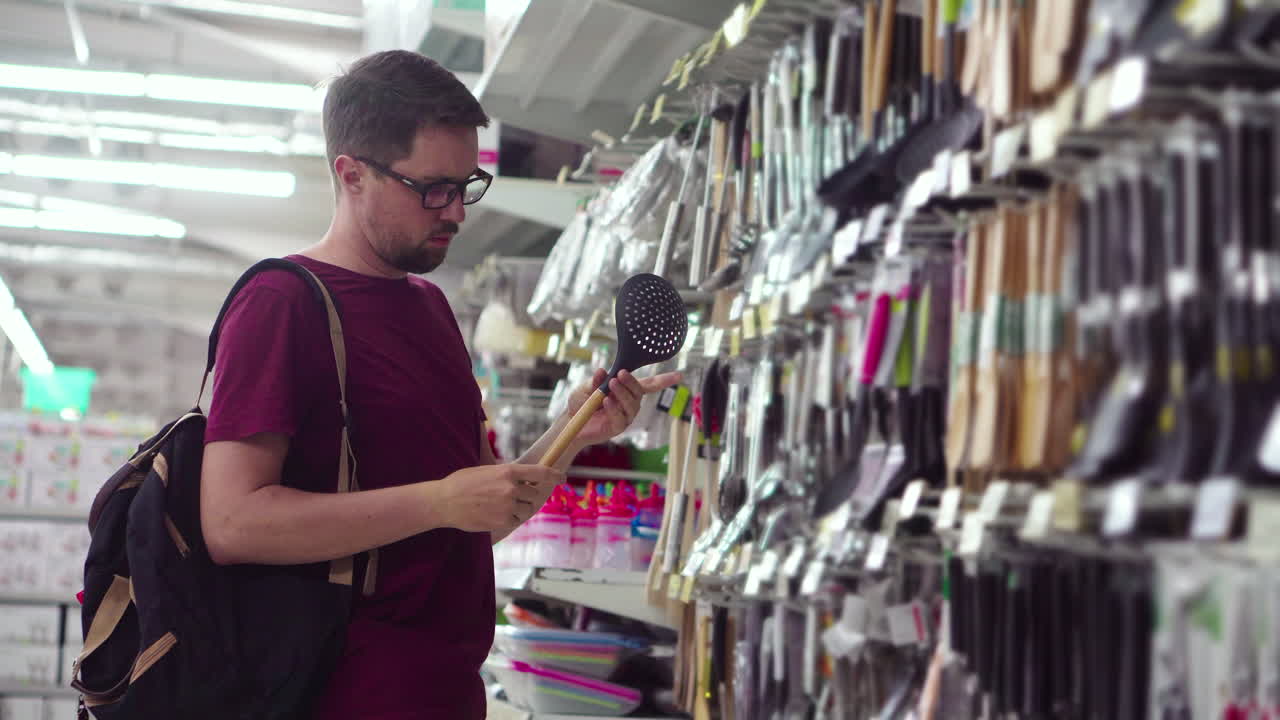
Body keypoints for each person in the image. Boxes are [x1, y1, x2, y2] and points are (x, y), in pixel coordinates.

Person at [198, 49, 681, 719]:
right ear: (352, 174)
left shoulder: (430, 309)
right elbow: (232, 522)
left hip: (444, 693)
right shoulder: (283, 302)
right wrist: (437, 502)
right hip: (334, 696)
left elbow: (475, 518)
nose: (456, 210)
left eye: (466, 184)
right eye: (432, 188)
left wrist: (571, 435)